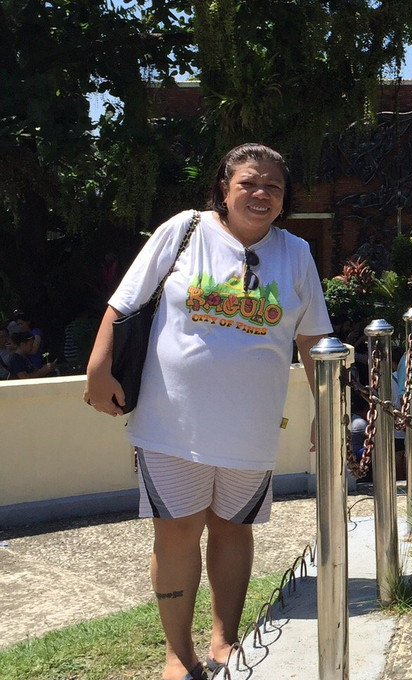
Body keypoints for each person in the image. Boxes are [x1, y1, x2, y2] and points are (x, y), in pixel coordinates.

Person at [83, 143, 333, 680]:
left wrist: (327, 409)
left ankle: (224, 640)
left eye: (274, 186)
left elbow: (315, 341)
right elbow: (125, 301)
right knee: (175, 533)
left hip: (251, 431)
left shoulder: (297, 255)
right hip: (172, 426)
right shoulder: (185, 231)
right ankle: (179, 655)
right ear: (224, 187)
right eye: (249, 182)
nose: (261, 193)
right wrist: (98, 366)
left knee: (233, 531)